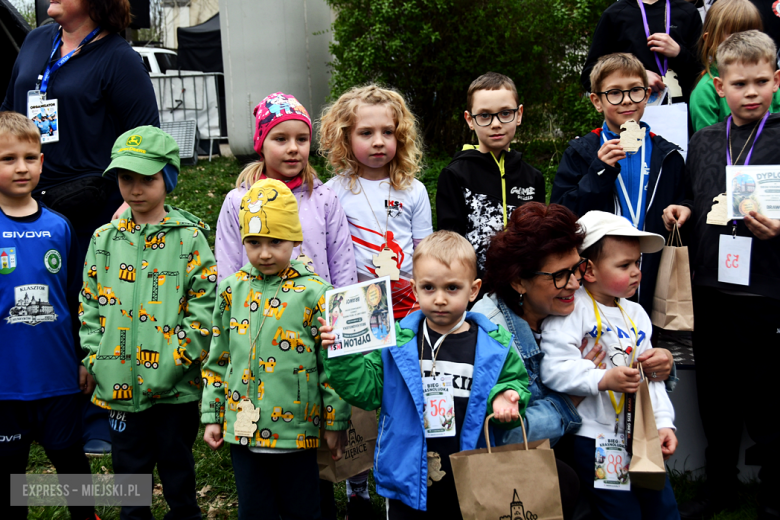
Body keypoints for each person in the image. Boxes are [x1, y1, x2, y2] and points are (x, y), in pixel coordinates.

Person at [1, 0, 160, 456]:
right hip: (27, 203)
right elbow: (9, 114)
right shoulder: (35, 41)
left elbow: (144, 138)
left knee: (89, 308)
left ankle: (94, 416)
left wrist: (128, 207)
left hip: (94, 207)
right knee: (35, 302)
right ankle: (28, 405)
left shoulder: (118, 58)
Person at [472, 202, 676, 520]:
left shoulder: (578, 310)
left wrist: (664, 364)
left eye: (577, 268)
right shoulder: (490, 334)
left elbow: (628, 351)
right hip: (515, 470)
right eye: (559, 276)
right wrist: (573, 396)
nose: (575, 284)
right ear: (518, 282)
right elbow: (507, 436)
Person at [318, 230, 530, 520]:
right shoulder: (395, 344)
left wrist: (505, 396)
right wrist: (341, 353)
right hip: (407, 477)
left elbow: (514, 381)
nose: (440, 299)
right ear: (415, 290)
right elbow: (365, 391)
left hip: (472, 477)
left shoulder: (495, 345)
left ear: (474, 289)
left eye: (452, 288)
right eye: (429, 288)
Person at [664, 30, 780, 520]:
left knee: (769, 398)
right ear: (718, 86)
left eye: (759, 81)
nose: (750, 92)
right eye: (739, 83)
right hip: (711, 288)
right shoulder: (706, 140)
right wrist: (682, 211)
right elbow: (697, 196)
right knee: (715, 396)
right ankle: (720, 489)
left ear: (777, 80)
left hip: (767, 293)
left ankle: (775, 494)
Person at [79, 126, 216, 520]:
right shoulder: (103, 239)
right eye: (126, 179)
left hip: (176, 390)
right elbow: (89, 302)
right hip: (118, 382)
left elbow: (203, 308)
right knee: (129, 469)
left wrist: (177, 360)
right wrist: (94, 357)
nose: (136, 189)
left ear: (167, 179)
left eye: (147, 179)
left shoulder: (189, 239)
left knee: (176, 466)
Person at [202, 178, 350, 520]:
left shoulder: (316, 293)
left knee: (302, 510)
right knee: (254, 510)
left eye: (275, 241)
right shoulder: (231, 291)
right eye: (253, 242)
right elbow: (218, 357)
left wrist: (335, 420)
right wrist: (212, 414)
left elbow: (333, 361)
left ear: (295, 239)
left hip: (297, 431)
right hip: (244, 431)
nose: (264, 252)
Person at [539, 210, 679, 519]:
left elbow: (650, 379)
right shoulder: (572, 311)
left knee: (663, 506)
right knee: (620, 511)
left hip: (642, 434)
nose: (636, 273)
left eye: (637, 263)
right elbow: (554, 368)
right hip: (596, 439)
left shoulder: (638, 315)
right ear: (588, 270)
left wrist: (664, 423)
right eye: (624, 265)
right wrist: (602, 379)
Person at [0, 112, 96, 520]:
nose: (21, 167)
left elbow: (78, 300)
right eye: (7, 158)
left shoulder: (60, 228)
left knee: (73, 469)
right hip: (6, 384)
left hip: (59, 379)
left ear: (42, 161)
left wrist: (83, 358)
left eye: (29, 157)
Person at [551, 52, 689, 315]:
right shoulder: (582, 152)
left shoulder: (668, 155)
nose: (627, 100)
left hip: (651, 272)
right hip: (594, 279)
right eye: (614, 93)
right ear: (596, 101)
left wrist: (684, 209)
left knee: (642, 344)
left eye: (635, 91)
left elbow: (684, 199)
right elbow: (562, 214)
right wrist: (599, 173)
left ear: (647, 95)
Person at [215, 91, 357, 287]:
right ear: (261, 144)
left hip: (317, 314)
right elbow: (227, 265)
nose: (293, 148)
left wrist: (342, 311)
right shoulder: (238, 201)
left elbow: (342, 264)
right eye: (280, 139)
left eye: (301, 139)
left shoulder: (324, 199)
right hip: (256, 313)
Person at [320, 84, 433, 322]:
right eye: (366, 133)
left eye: (388, 132)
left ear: (400, 135)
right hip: (356, 302)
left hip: (408, 300)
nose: (379, 141)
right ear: (346, 137)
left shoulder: (414, 190)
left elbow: (424, 251)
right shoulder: (331, 192)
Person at [436, 72, 545, 276]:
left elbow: (539, 239)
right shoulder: (455, 175)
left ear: (519, 114)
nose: (496, 123)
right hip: (475, 291)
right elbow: (450, 243)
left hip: (524, 287)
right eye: (485, 115)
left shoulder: (533, 177)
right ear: (470, 120)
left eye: (505, 113)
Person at [580, 0, 703, 101]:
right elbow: (590, 76)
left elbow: (704, 73)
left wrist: (679, 53)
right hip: (630, 115)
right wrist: (635, 77)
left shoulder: (687, 12)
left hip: (683, 115)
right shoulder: (615, 14)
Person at [690, 0, 780, 132]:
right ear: (709, 40)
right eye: (734, 36)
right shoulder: (705, 91)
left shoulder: (769, 81)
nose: (744, 43)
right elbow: (707, 144)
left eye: (751, 34)